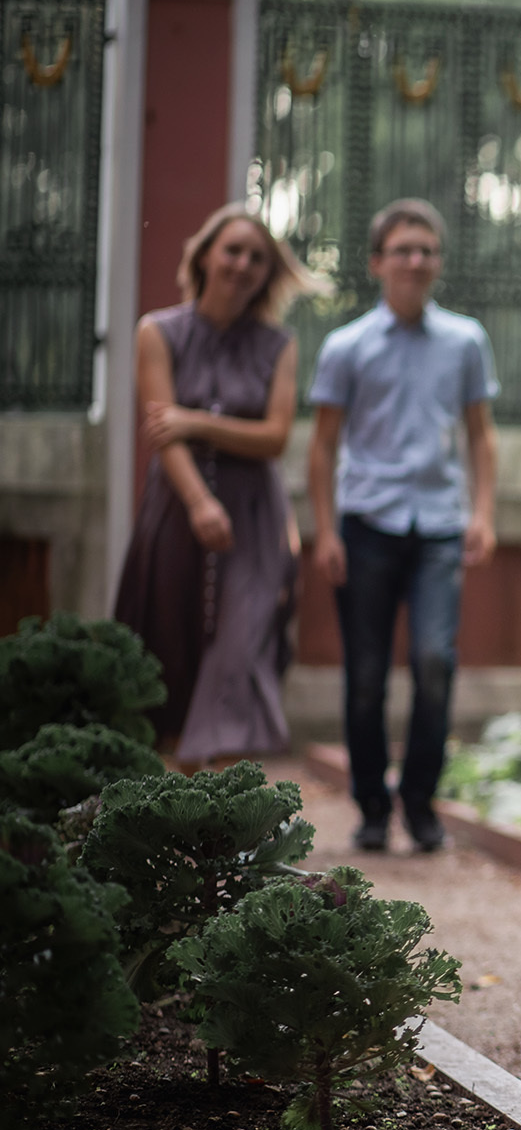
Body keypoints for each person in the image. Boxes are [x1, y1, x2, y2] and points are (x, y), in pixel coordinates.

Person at [305, 198, 498, 853]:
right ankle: (368, 807)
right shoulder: (346, 346)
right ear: (376, 262)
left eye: (427, 250)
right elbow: (323, 446)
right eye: (403, 249)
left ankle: (418, 804)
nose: (416, 261)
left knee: (434, 661)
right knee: (365, 676)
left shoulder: (466, 341)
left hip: (439, 527)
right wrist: (325, 530)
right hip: (365, 527)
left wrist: (483, 514)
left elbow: (481, 436)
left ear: (437, 262)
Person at [113, 202, 325, 766]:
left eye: (258, 257)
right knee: (169, 638)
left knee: (243, 642)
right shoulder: (156, 331)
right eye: (233, 250)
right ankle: (170, 792)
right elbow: (164, 434)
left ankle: (223, 801)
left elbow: (274, 438)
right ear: (205, 254)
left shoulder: (278, 346)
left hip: (255, 514)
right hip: (178, 504)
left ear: (267, 272)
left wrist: (198, 420)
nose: (243, 264)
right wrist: (200, 502)